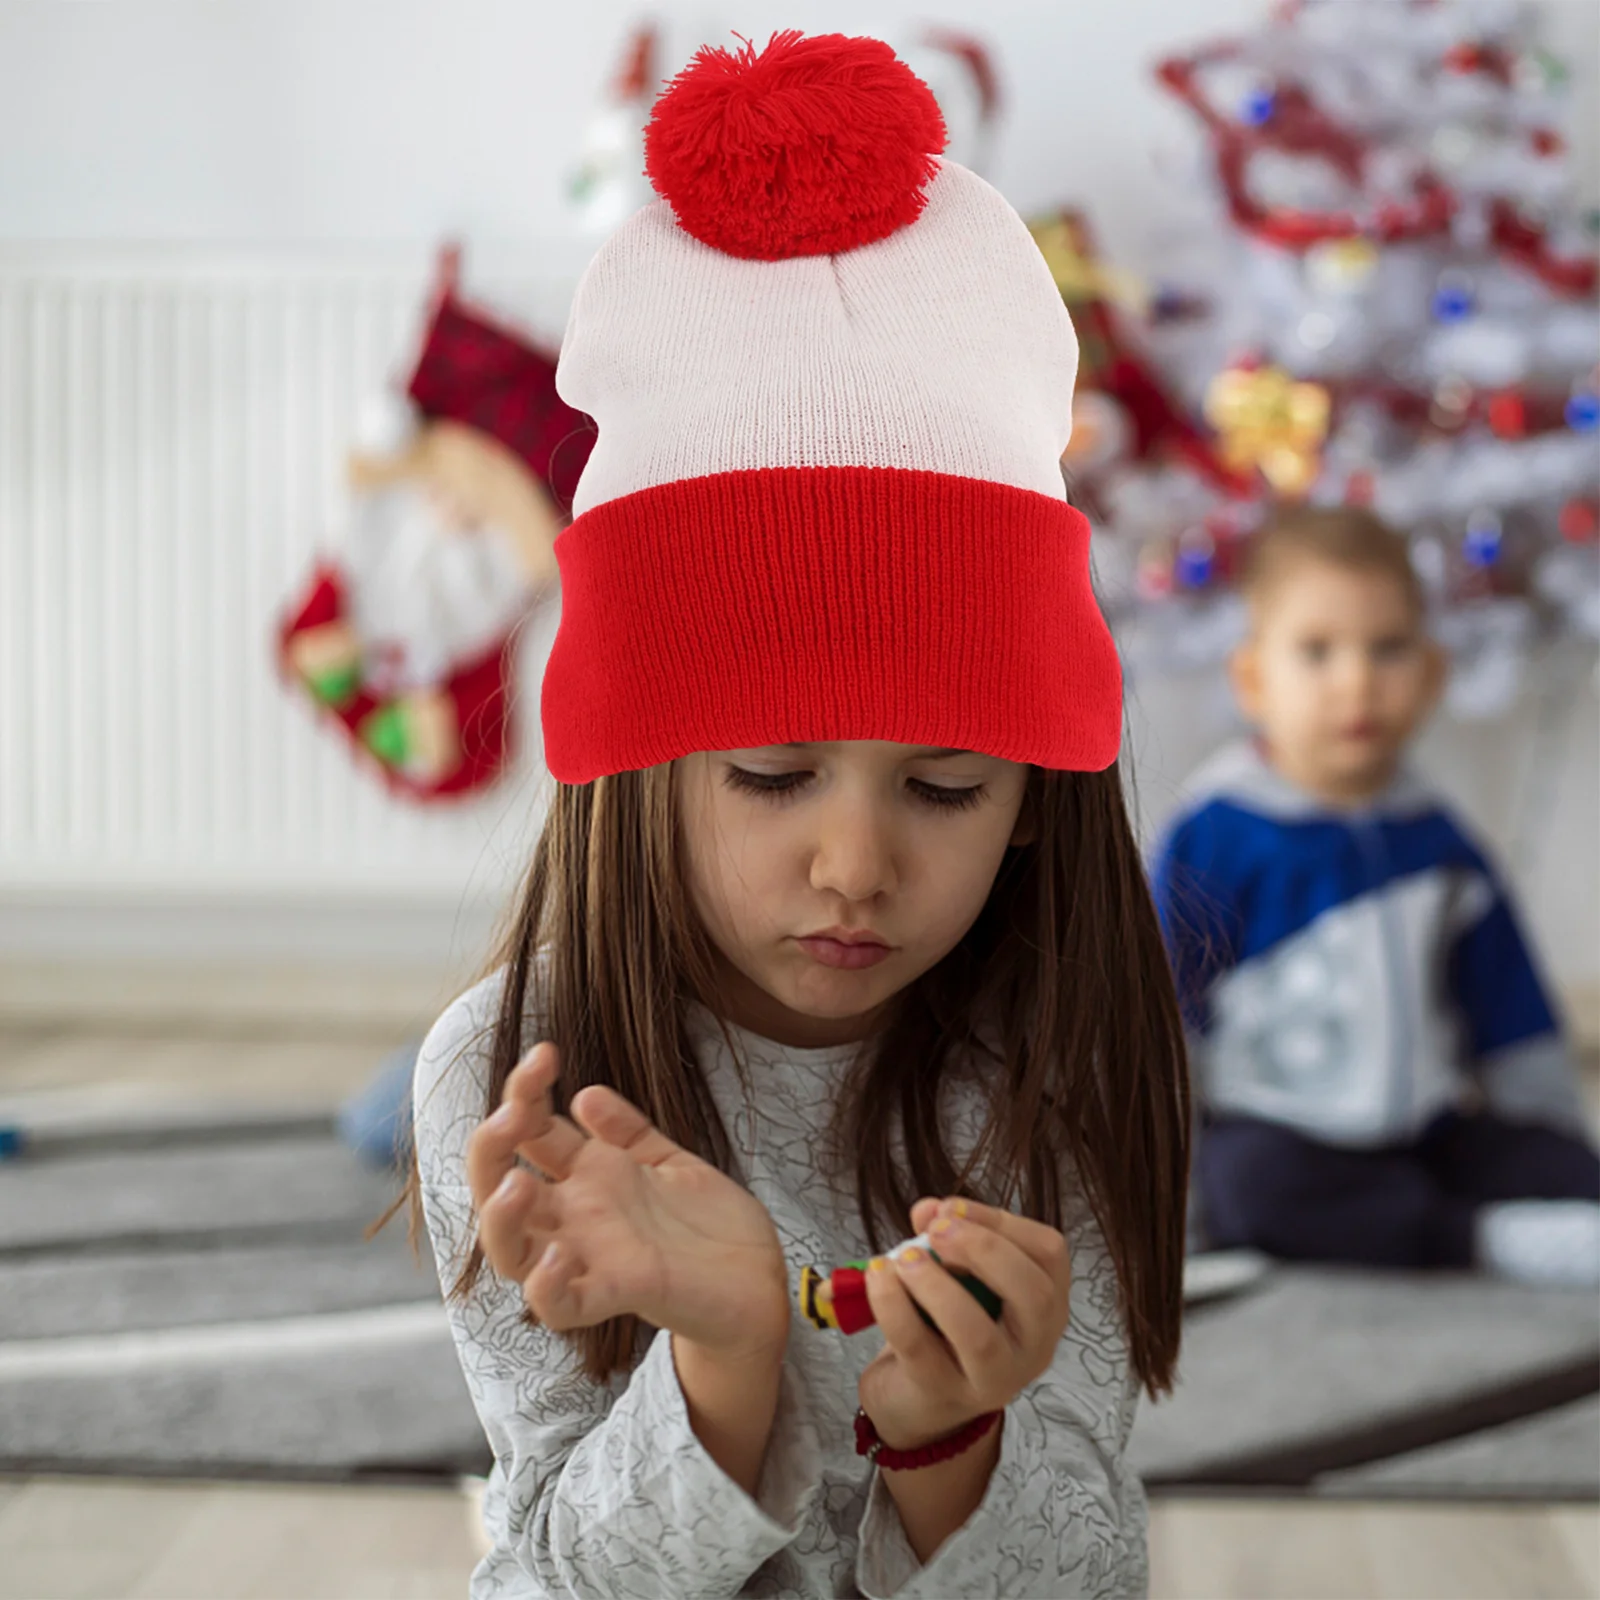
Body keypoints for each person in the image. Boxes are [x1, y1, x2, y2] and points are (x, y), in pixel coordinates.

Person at [386, 31, 1189, 1600]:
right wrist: (723, 1363)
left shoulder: (1058, 1057)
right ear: (647, 767)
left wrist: (953, 1441)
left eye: (946, 787)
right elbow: (549, 1575)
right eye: (772, 775)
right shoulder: (512, 1071)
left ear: (1036, 800)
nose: (854, 864)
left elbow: (1090, 1572)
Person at [1152, 504, 1600, 1290]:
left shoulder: (1438, 840)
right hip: (1280, 1136)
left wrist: (1548, 1135)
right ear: (1255, 680)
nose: (1357, 681)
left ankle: (1480, 1209)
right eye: (1317, 653)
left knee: (1557, 1161)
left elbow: (1510, 1011)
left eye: (1387, 649)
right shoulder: (1216, 835)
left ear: (1429, 675)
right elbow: (1157, 1032)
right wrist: (1167, 1206)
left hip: (1422, 1132)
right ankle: (1477, 1240)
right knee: (1254, 1190)